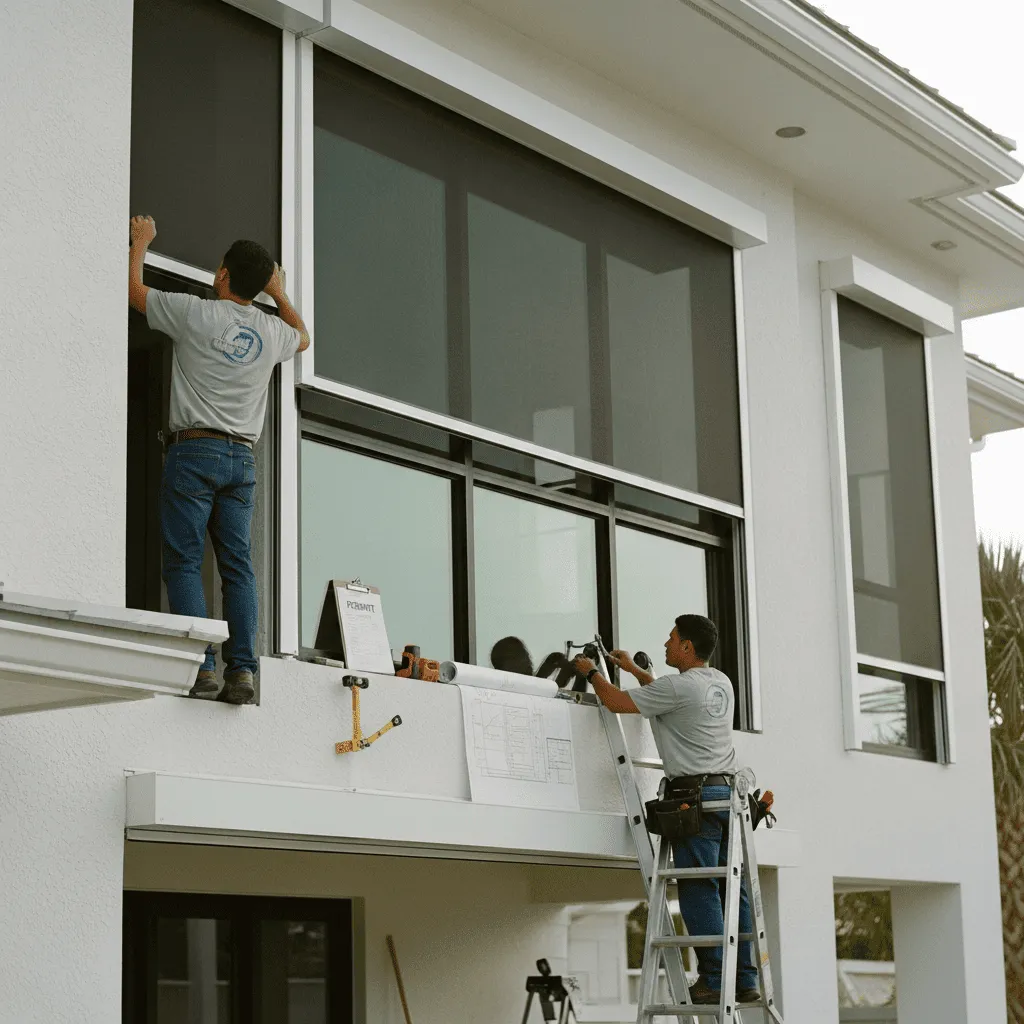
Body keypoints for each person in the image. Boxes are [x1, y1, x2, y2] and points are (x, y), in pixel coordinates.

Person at [128, 215, 310, 703]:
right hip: (242, 460)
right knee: (238, 568)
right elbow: (304, 337)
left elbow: (136, 294)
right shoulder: (272, 332)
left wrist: (141, 243)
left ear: (223, 275)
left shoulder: (194, 313)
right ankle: (243, 672)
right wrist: (280, 293)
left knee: (184, 562)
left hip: (193, 451)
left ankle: (203, 668)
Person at [572, 614, 759, 1005]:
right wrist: (636, 670)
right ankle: (744, 979)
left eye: (672, 639)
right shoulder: (719, 683)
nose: (666, 643)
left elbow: (615, 702)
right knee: (731, 887)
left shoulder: (678, 688)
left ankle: (712, 978)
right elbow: (668, 697)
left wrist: (592, 673)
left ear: (688, 647)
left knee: (698, 887)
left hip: (697, 801)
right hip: (727, 798)